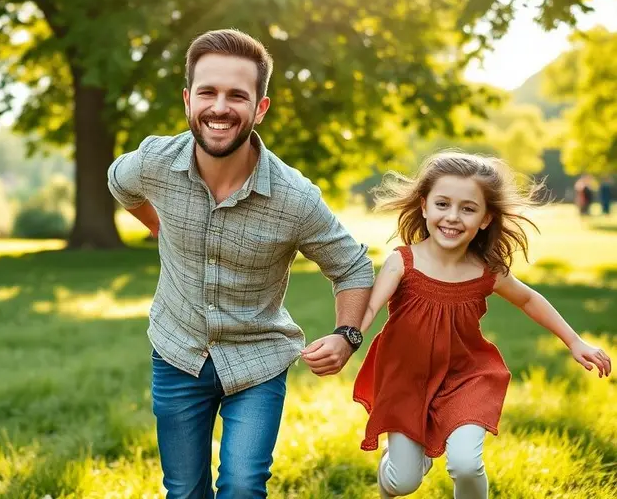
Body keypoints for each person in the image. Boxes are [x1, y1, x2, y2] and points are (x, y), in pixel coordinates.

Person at [107, 28, 373, 498]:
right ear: (188, 99)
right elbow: (118, 183)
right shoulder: (153, 162)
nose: (219, 107)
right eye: (207, 92)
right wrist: (156, 224)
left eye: (237, 95)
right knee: (184, 490)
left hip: (258, 361)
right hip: (177, 353)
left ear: (260, 108)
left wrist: (347, 335)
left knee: (244, 486)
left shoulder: (295, 198)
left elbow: (351, 267)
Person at [354, 152, 611, 498]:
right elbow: (369, 307)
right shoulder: (403, 262)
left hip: (467, 376)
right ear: (424, 206)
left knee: (466, 463)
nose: (452, 217)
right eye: (442, 204)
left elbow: (529, 299)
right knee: (403, 482)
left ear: (486, 218)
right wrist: (346, 338)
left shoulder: (485, 271)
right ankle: (397, 461)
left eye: (468, 208)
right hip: (405, 378)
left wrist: (575, 341)